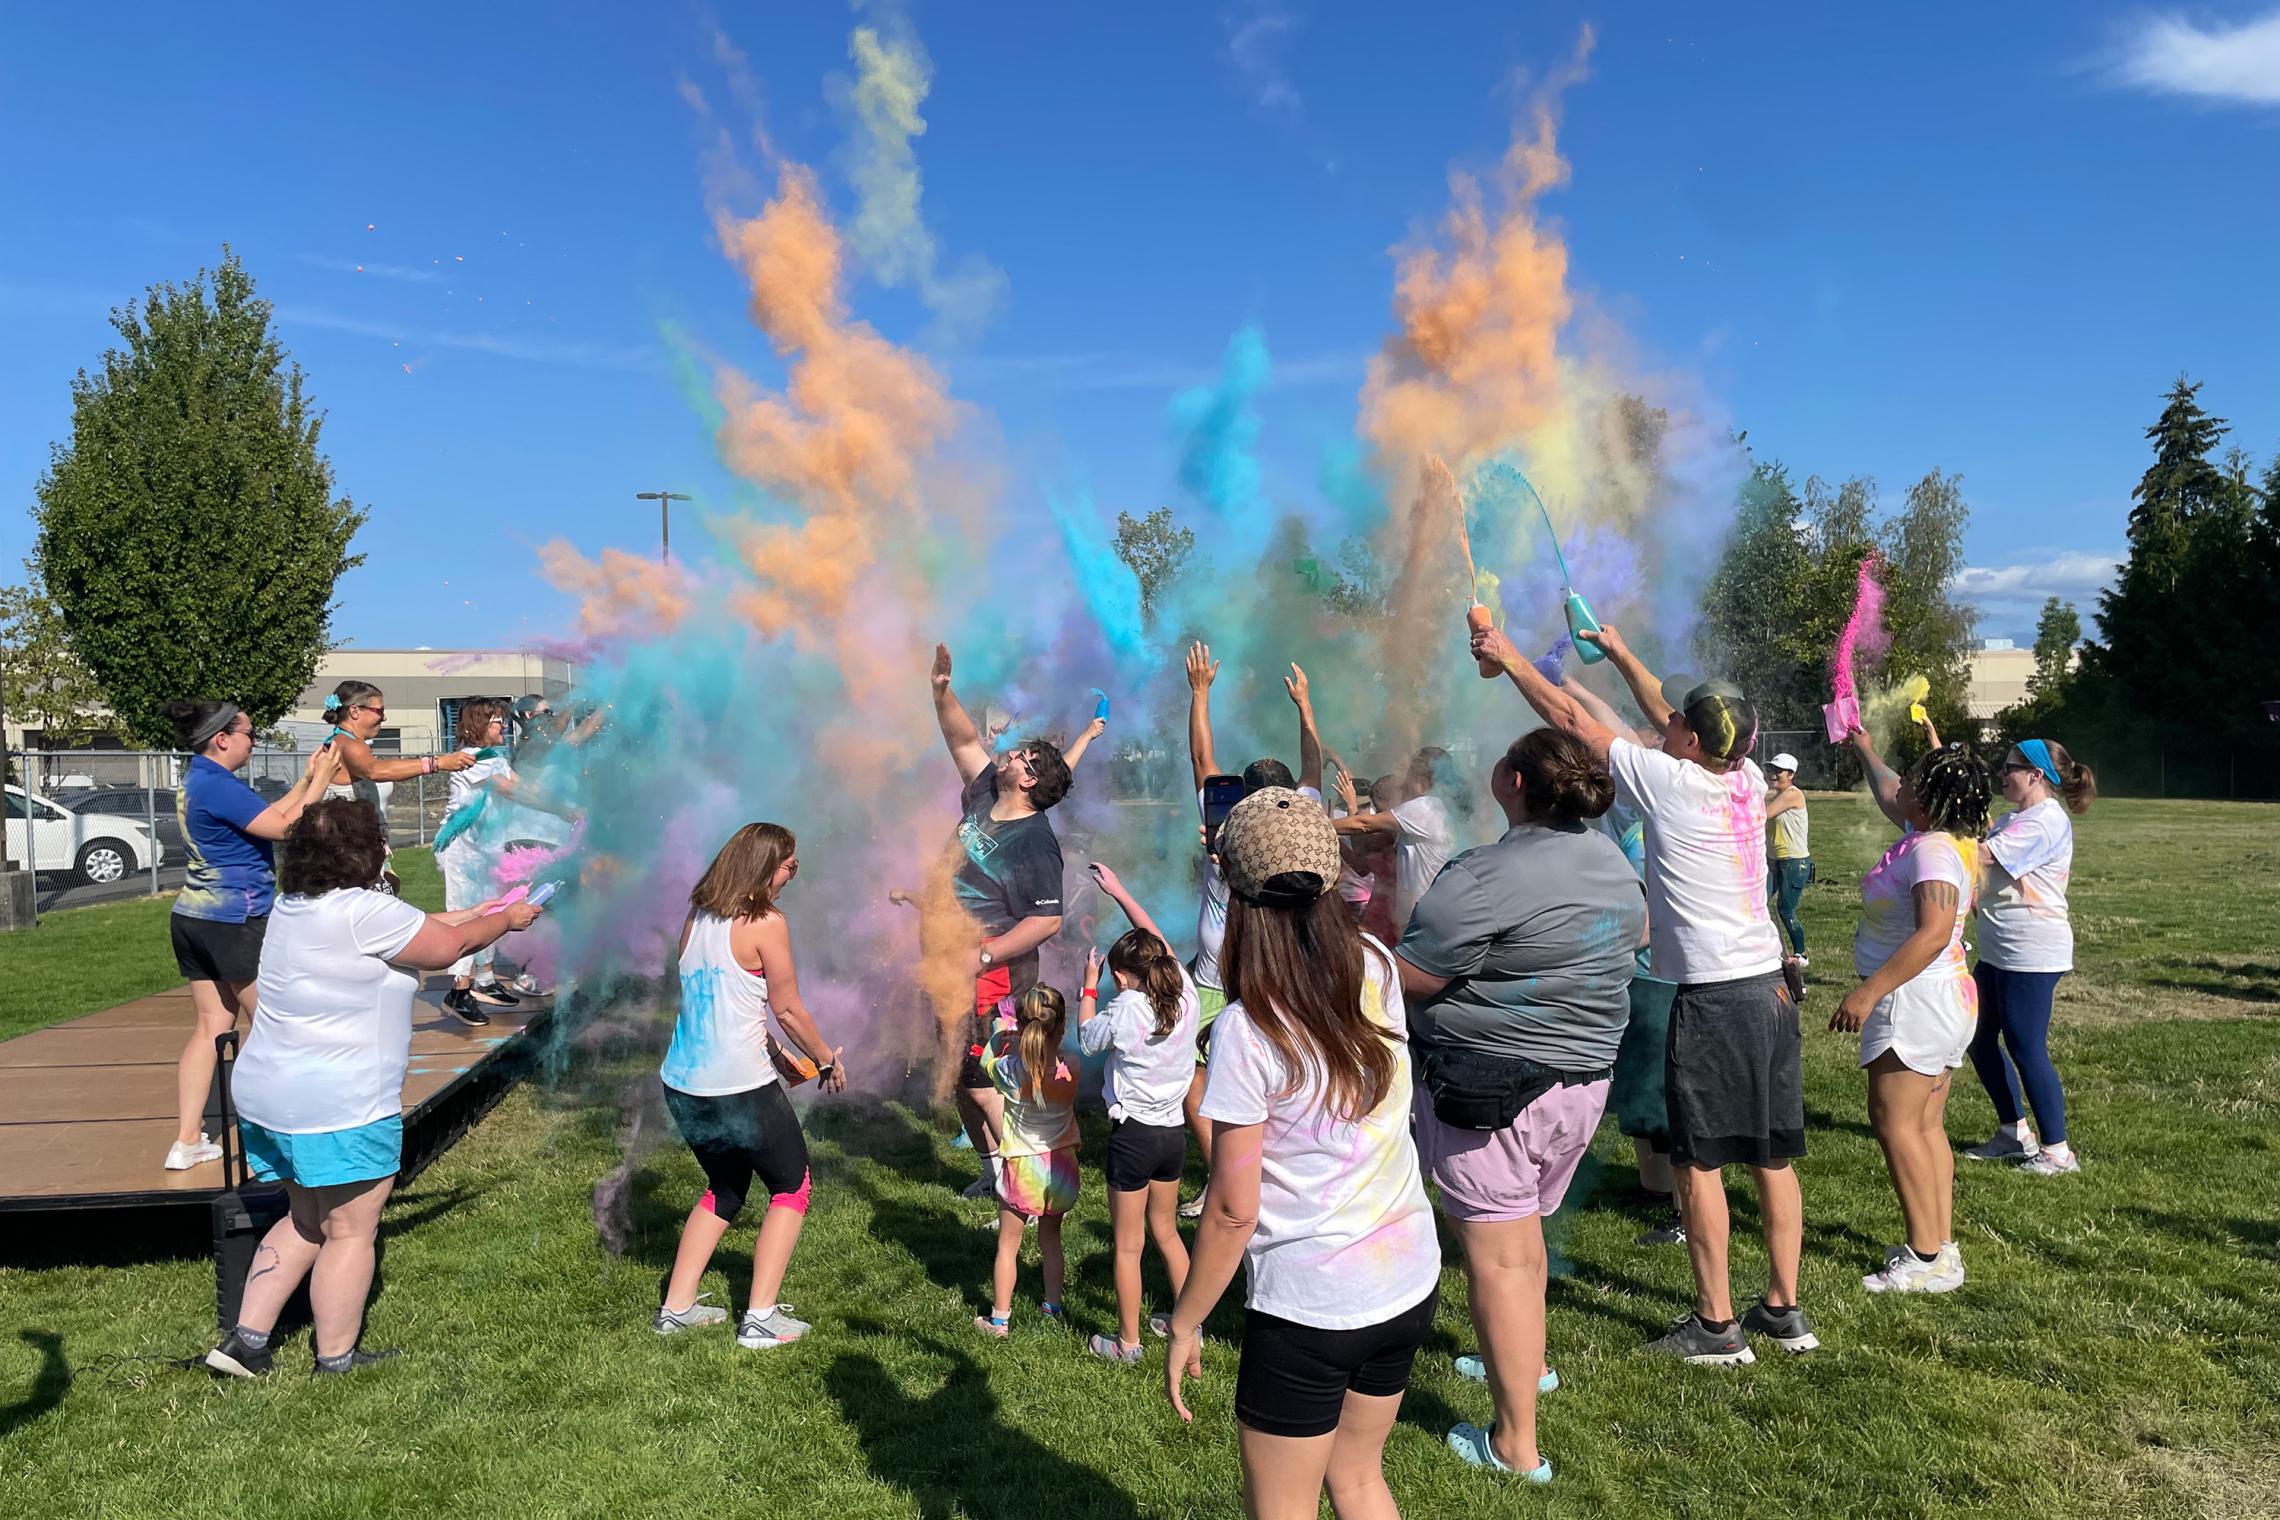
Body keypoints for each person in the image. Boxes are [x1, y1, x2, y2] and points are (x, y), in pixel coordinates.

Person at [1471, 618, 1812, 1366]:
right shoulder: (1746, 778)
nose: (1669, 724)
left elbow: (1569, 721)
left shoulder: (1669, 784)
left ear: (1691, 741)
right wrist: (1622, 649)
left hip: (1713, 997)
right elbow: (1666, 713)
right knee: (1772, 1157)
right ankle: (1784, 1310)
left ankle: (1717, 1325)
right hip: (1768, 987)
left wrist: (1508, 656)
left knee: (1700, 1162)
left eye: (1680, 723)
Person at [1163, 788, 1439, 1520]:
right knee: (1358, 1480)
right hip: (1406, 1276)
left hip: (1311, 1311)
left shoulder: (1248, 1033)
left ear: (1235, 889)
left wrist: (1186, 1321)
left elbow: (1230, 1210)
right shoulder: (1375, 964)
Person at [204, 800, 542, 1377]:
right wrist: (505, 922)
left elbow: (415, 930)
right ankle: (336, 1358)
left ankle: (245, 1343)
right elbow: (445, 949)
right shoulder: (363, 912)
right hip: (338, 1102)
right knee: (350, 1231)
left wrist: (479, 909)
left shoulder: (298, 903)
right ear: (364, 852)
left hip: (271, 1093)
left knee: (307, 1218)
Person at [1395, 729, 1642, 1481]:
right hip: (1581, 1084)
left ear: (1512, 781)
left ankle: (1513, 1444)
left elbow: (1414, 978)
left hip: (1493, 1091)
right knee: (1523, 1240)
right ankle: (1523, 1366)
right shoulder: (1614, 860)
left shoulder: (1484, 874)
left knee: (1498, 1261)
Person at [654, 822, 846, 1348]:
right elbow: (786, 1007)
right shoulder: (766, 922)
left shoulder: (696, 917)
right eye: (789, 865)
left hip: (683, 1084)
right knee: (792, 1185)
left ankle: (676, 1309)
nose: (793, 873)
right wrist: (825, 1059)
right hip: (737, 1085)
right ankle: (760, 1319)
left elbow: (722, 1003)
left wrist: (780, 1056)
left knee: (726, 1187)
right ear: (764, 867)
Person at [1839, 728, 1993, 1292]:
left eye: (1912, 780)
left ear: (1927, 800)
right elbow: (1888, 791)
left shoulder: (1931, 851)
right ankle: (1938, 1246)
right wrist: (1862, 744)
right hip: (1942, 995)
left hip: (1916, 998)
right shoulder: (1943, 838)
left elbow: (1930, 934)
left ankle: (1926, 1256)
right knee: (1926, 1126)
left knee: (1896, 1123)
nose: (1899, 783)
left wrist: (1867, 992)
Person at [161, 701, 341, 1171]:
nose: (253, 741)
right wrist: (322, 782)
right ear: (223, 738)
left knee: (210, 1028)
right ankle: (293, 1135)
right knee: (273, 1026)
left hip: (195, 918)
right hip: (233, 921)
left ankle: (187, 1141)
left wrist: (305, 781)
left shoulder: (203, 778)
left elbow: (266, 816)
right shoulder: (216, 784)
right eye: (249, 733)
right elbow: (284, 828)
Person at [1181, 641, 1325, 1219]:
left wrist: (1199, 692)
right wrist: (1305, 707)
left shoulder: (1228, 821)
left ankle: (1230, 1178)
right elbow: (1313, 765)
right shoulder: (1306, 812)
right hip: (1287, 970)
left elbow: (1200, 757)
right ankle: (1259, 1175)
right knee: (1273, 1073)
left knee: (1200, 1080)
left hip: (1223, 977)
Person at [929, 643, 1070, 1200]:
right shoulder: (988, 790)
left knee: (984, 1080)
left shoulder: (1037, 843)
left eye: (1022, 756)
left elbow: (1048, 922)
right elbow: (962, 739)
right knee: (960, 1074)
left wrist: (982, 955)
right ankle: (992, 1172)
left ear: (1031, 779)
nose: (1009, 754)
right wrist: (941, 690)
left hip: (991, 975)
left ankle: (1023, 1186)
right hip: (951, 958)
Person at [1556, 670, 1685, 1246]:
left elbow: (1612, 734)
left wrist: (1570, 690)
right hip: (1635, 965)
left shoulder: (1662, 800)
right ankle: (1657, 1191)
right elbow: (1611, 727)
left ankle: (1684, 1210)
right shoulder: (1640, 797)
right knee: (1640, 1084)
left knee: (1668, 1090)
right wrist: (1573, 684)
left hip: (1662, 966)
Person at [1075, 863, 1198, 1364]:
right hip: (1172, 1136)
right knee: (1166, 1234)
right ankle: (1191, 1328)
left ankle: (1128, 1344)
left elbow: (1086, 1041)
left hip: (1134, 1138)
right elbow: (1157, 941)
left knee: (1129, 1247)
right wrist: (1121, 890)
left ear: (1122, 977)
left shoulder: (1125, 1009)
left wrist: (1088, 987)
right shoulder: (1184, 992)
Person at [1964, 738, 2098, 1175]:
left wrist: (1939, 831)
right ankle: (2013, 1133)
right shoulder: (2017, 817)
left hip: (2031, 952)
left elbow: (1982, 855)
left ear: (2036, 775)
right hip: (2002, 949)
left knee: (2025, 1046)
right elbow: (1985, 842)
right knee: (1978, 1037)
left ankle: (2058, 1151)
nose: (2003, 774)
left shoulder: (2044, 821)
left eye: (2010, 768)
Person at [435, 701, 574, 1026]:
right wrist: (560, 809)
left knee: (492, 909)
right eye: (497, 722)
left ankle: (484, 977)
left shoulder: (495, 759)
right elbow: (513, 792)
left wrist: (563, 798)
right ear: (478, 727)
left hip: (486, 848)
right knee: (463, 913)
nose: (503, 727)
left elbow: (525, 785)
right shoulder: (473, 760)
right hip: (463, 850)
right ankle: (458, 989)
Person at [974, 986, 1079, 1336]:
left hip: (1022, 1167)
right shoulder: (1071, 1069)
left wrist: (1003, 1035)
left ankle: (1000, 1319)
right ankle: (1053, 1306)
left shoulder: (1009, 1070)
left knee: (1008, 1245)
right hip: (1061, 1167)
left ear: (1021, 1028)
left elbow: (985, 1060)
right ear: (1061, 1028)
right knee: (1051, 1241)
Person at [319, 680, 477, 892]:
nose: (384, 717)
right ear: (355, 711)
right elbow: (375, 770)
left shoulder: (348, 743)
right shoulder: (347, 744)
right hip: (349, 858)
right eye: (379, 710)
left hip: (361, 852)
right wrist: (437, 763)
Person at [1331, 746, 1464, 931]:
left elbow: (1363, 823)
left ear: (1421, 780)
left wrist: (1317, 823)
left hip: (1421, 922)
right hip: (1434, 916)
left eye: (1408, 777)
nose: (1405, 785)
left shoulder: (1427, 807)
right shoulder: (1445, 811)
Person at [1765, 753, 1812, 1000]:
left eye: (1779, 770)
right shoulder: (1774, 795)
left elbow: (1763, 813)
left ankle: (1801, 954)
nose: (1773, 773)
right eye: (1771, 768)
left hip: (1795, 862)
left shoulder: (1793, 794)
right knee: (1758, 903)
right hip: (1776, 861)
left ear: (1791, 775)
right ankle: (1766, 947)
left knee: (1785, 908)